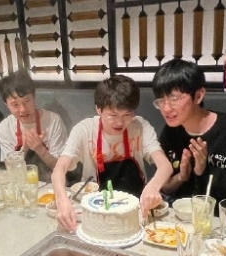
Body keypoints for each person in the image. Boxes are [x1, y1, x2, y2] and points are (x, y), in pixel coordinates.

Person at [153, 59, 226, 223]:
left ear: (198, 96)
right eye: (161, 100)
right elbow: (166, 187)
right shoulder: (170, 132)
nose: (166, 108)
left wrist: (207, 171)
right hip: (181, 223)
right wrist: (180, 178)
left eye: (174, 98)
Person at [52, 75, 172, 232]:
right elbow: (59, 169)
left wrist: (153, 187)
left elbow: (165, 165)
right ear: (98, 109)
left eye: (127, 115)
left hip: (135, 210)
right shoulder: (84, 130)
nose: (120, 122)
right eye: (113, 115)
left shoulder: (140, 127)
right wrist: (62, 200)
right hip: (96, 211)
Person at [0, 69, 68, 171]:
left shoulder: (53, 120)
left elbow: (62, 167)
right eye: (15, 104)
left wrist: (40, 149)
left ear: (34, 97)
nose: (23, 109)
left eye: (27, 101)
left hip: (52, 178)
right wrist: (24, 148)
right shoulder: (5, 127)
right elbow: (11, 170)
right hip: (21, 178)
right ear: (6, 105)